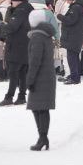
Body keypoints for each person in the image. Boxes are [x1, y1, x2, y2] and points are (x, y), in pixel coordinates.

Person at [26, 9, 57, 151]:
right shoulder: (46, 35)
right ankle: (43, 137)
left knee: (39, 109)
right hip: (47, 76)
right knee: (40, 108)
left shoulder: (37, 37)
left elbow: (35, 61)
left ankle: (42, 138)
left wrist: (30, 79)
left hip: (40, 77)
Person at [0, 0, 31, 106]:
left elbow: (12, 27)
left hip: (16, 46)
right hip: (26, 44)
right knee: (22, 72)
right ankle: (21, 96)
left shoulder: (20, 11)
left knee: (13, 73)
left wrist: (2, 25)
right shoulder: (29, 9)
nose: (12, 4)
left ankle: (9, 97)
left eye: (13, 2)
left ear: (18, 1)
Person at [59, 0, 83, 84]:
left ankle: (75, 78)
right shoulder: (77, 7)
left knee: (72, 58)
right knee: (73, 57)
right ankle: (75, 75)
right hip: (74, 36)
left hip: (73, 36)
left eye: (68, 0)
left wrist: (60, 17)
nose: (67, 2)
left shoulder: (76, 8)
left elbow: (70, 20)